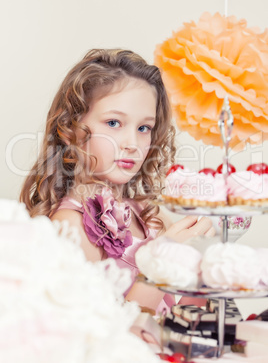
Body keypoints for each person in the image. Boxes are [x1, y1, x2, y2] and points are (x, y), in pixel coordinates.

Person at [20, 49, 215, 312]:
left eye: (144, 128)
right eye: (113, 123)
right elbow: (103, 342)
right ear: (69, 129)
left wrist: (203, 262)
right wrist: (161, 263)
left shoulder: (145, 212)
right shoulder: (68, 227)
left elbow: (183, 323)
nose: (132, 144)